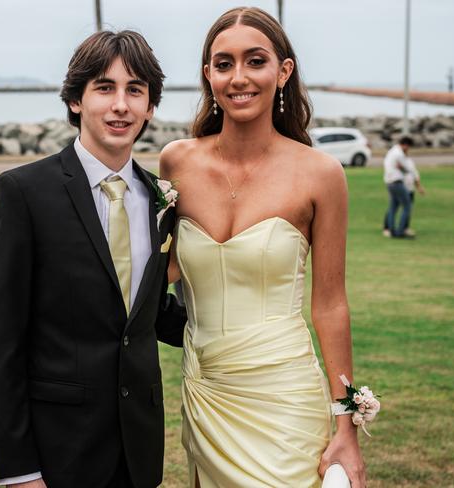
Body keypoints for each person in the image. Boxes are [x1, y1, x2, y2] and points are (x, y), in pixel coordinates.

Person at [160, 7, 365, 488]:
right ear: (208, 75)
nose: (239, 78)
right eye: (223, 64)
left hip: (285, 394)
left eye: (255, 61)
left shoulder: (321, 174)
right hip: (207, 395)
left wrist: (347, 426)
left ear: (283, 71)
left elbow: (331, 305)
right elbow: (160, 272)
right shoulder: (177, 163)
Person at [0, 30, 186, 488]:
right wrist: (18, 470)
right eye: (104, 87)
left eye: (135, 90)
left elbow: (148, 313)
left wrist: (246, 328)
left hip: (139, 449)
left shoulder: (162, 199)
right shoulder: (22, 193)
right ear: (76, 99)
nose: (121, 105)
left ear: (150, 107)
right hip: (59, 452)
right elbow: (3, 342)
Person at [382, 154, 425, 237]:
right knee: (396, 207)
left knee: (404, 209)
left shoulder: (409, 162)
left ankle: (404, 228)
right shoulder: (397, 161)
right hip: (400, 187)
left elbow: (415, 175)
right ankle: (390, 229)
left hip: (409, 188)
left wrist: (419, 187)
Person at [382, 136, 416, 238]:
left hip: (389, 182)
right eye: (408, 147)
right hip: (397, 182)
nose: (408, 149)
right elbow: (407, 168)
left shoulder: (392, 151)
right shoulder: (399, 153)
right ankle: (401, 230)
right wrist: (406, 170)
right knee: (407, 206)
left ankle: (391, 230)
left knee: (393, 207)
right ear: (405, 145)